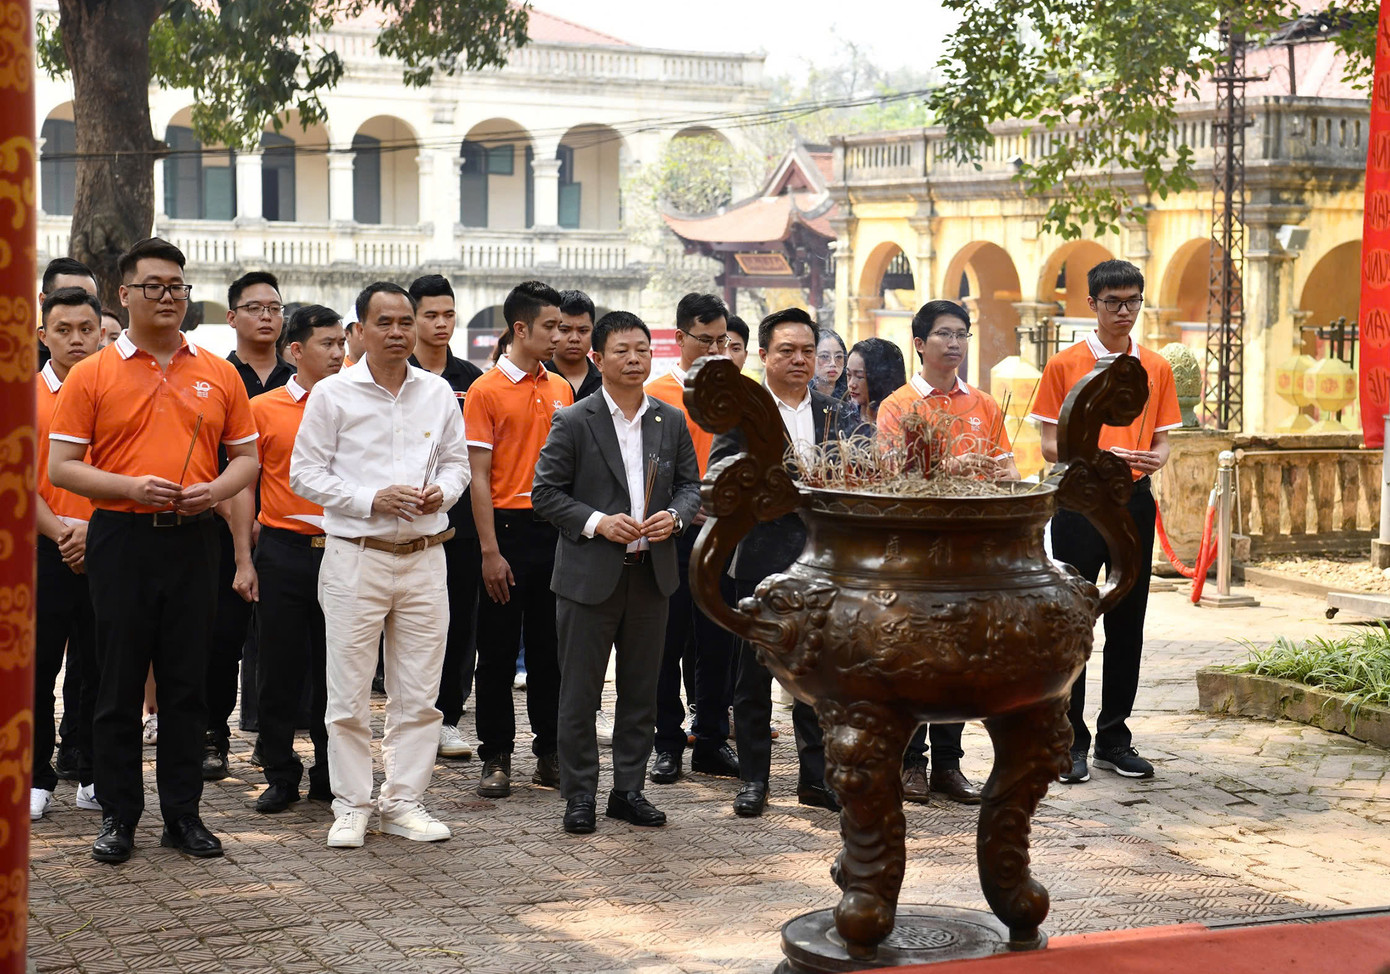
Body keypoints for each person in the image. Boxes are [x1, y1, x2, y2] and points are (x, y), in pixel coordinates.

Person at [49, 237, 260, 863]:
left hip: (195, 538)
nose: (168, 297)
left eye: (177, 286)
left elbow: (246, 458)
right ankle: (119, 815)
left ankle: (183, 815)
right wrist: (130, 487)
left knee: (185, 682)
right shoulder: (92, 373)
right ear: (125, 293)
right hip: (120, 538)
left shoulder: (217, 371)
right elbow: (63, 468)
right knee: (115, 682)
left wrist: (214, 491)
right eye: (154, 286)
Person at [290, 281, 471, 849]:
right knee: (346, 694)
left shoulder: (438, 392)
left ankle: (404, 801)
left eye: (404, 322)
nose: (397, 333)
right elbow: (304, 474)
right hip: (354, 557)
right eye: (384, 323)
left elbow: (459, 465)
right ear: (359, 331)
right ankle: (350, 804)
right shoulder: (333, 394)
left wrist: (441, 493)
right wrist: (371, 499)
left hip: (424, 556)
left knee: (419, 693)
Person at [533, 311, 703, 834]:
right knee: (579, 692)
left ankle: (627, 791)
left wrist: (673, 518)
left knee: (642, 690)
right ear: (597, 358)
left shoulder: (668, 419)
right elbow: (545, 494)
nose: (634, 360)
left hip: (652, 576)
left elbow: (691, 488)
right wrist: (598, 523)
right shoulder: (574, 420)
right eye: (622, 351)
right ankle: (579, 793)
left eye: (642, 350)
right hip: (589, 577)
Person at [1029, 259, 1181, 784]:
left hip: (1134, 499)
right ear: (1091, 304)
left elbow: (1161, 439)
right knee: (1075, 619)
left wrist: (1155, 457)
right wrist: (1098, 456)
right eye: (1114, 301)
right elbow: (1049, 444)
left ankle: (1115, 736)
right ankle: (1069, 739)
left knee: (1128, 621)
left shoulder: (1156, 366)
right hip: (1078, 502)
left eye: (1133, 301)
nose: (1124, 311)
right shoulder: (1065, 365)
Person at [709, 308, 860, 818]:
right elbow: (721, 476)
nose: (799, 360)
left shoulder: (837, 412)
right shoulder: (744, 413)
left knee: (820, 676)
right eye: (787, 351)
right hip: (760, 561)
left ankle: (816, 780)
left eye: (806, 351)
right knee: (754, 676)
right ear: (764, 356)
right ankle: (754, 781)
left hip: (825, 560)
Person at [875, 301, 1018, 805]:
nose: (954, 344)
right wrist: (953, 468)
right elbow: (894, 478)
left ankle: (949, 766)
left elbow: (1008, 469)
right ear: (919, 344)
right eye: (943, 334)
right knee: (914, 660)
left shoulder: (983, 404)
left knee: (961, 659)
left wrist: (1004, 473)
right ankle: (911, 763)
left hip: (971, 551)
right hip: (918, 554)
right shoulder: (897, 407)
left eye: (962, 334)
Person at [464, 281, 574, 798]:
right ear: (521, 328)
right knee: (499, 649)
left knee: (552, 651)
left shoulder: (561, 389)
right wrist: (489, 551)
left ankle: (549, 752)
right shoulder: (485, 391)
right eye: (550, 327)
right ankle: (495, 755)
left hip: (554, 531)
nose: (560, 336)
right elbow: (478, 478)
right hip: (504, 531)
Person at [243, 305, 345, 813]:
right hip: (283, 551)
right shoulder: (264, 409)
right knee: (279, 670)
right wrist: (245, 555)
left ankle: (331, 775)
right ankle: (281, 773)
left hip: (346, 550)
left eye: (341, 343)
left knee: (339, 671)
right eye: (327, 343)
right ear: (296, 351)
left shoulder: (356, 404)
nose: (338, 353)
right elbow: (243, 483)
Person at [643, 293, 739, 784]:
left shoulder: (736, 391)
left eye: (722, 340)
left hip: (723, 533)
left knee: (718, 639)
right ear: (679, 338)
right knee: (667, 639)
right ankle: (667, 742)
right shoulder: (655, 392)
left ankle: (712, 739)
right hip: (670, 532)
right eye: (705, 340)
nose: (715, 349)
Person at [205, 271, 294, 780]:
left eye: (275, 308)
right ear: (231, 316)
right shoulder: (217, 377)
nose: (266, 317)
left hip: (288, 533)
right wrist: (239, 516)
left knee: (285, 640)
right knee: (222, 637)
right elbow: (205, 460)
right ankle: (212, 732)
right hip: (221, 528)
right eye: (255, 307)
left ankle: (273, 736)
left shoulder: (301, 377)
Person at [32, 287, 103, 821]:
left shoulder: (116, 391)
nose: (76, 340)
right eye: (63, 330)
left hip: (108, 542)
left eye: (86, 329)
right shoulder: (20, 396)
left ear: (101, 331)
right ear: (43, 336)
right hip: (42, 543)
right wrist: (63, 534)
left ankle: (93, 769)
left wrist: (91, 531)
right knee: (37, 667)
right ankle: (34, 776)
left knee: (102, 666)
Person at [407, 274, 485, 761]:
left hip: (461, 523)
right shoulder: (393, 372)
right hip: (403, 522)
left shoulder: (472, 381)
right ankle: (411, 713)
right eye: (431, 314)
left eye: (448, 314)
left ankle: (448, 717)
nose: (441, 323)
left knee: (459, 620)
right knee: (408, 626)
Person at [545, 289, 603, 400]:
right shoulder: (537, 378)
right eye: (565, 330)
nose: (574, 339)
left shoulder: (607, 382)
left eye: (583, 331)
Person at [844, 337, 906, 426]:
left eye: (859, 376)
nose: (851, 384)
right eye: (848, 375)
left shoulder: (900, 423)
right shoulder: (843, 417)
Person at [811, 330, 848, 400]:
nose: (833, 363)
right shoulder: (802, 396)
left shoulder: (851, 397)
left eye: (839, 357)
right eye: (824, 356)